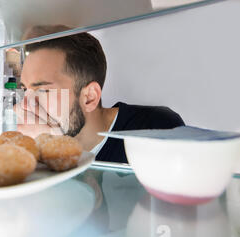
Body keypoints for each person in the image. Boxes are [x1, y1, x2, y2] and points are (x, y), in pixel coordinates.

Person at [15, 26, 184, 163]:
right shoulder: (38, 152)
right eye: (24, 90)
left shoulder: (159, 129)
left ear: (90, 97)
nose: (22, 107)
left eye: (43, 90)